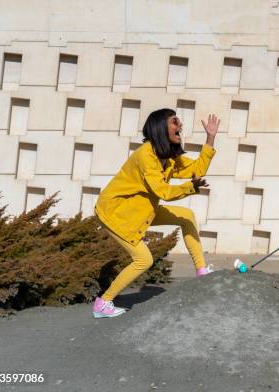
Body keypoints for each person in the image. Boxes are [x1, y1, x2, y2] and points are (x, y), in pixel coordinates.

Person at [92, 108, 219, 318]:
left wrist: (210, 138)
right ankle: (103, 303)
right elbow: (163, 191)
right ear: (160, 127)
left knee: (186, 216)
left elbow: (197, 169)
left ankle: (201, 271)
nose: (180, 125)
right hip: (117, 213)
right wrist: (190, 187)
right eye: (174, 121)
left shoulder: (167, 157)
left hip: (142, 209)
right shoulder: (146, 156)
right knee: (143, 259)